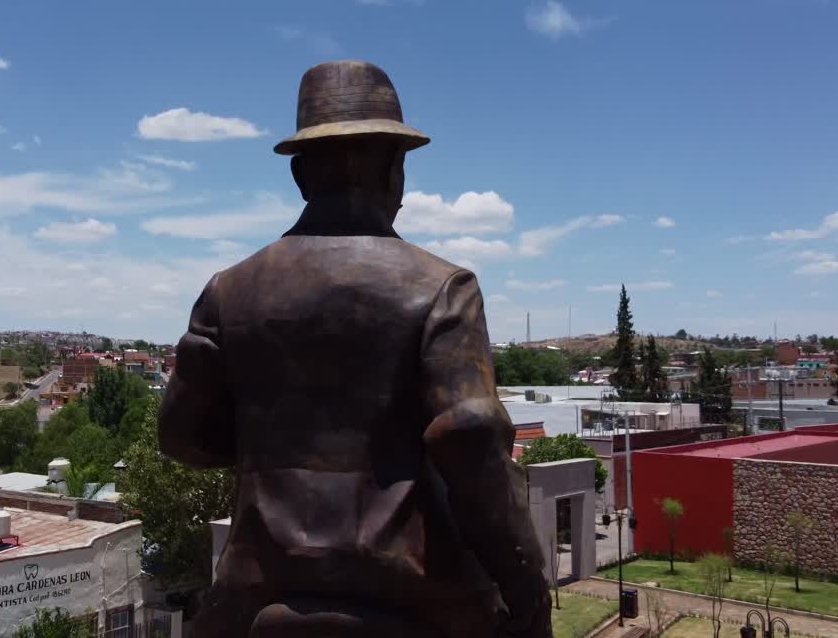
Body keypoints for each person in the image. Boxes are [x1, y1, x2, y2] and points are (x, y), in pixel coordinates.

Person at [160, 61, 550, 638]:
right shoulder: (444, 287)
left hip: (254, 597)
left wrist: (272, 442)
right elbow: (468, 437)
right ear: (394, 170)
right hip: (419, 600)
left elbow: (182, 438)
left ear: (299, 176)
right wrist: (528, 590)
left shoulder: (227, 290)